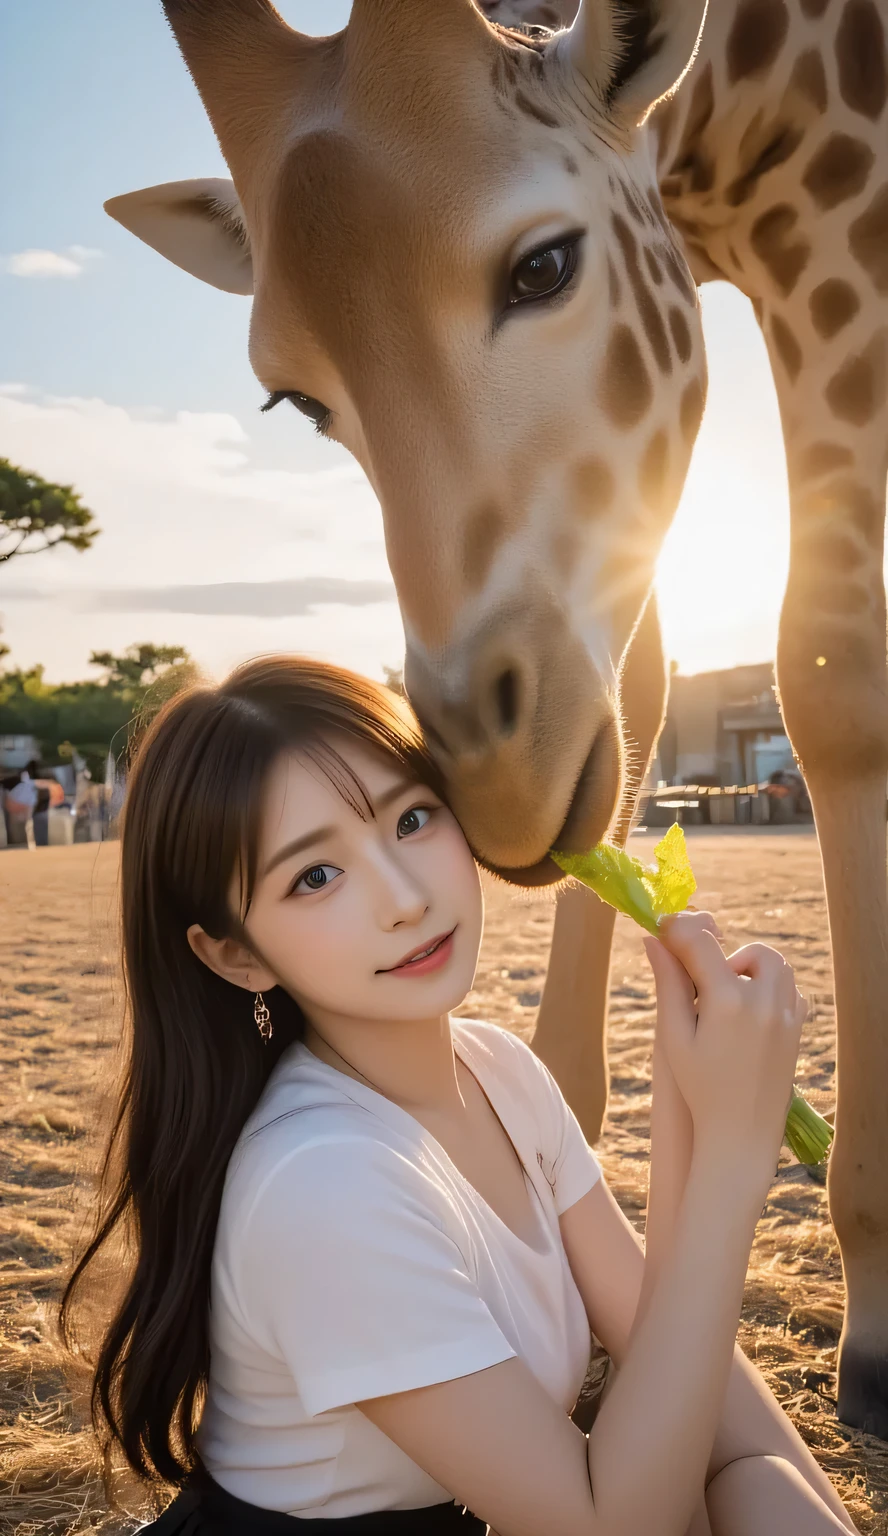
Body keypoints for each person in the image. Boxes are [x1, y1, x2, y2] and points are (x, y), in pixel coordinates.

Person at [61, 655, 858, 1536]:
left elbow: (686, 1360)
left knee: (769, 1494)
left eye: (411, 817)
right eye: (314, 877)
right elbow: (613, 1527)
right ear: (235, 955)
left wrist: (692, 1101)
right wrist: (732, 1167)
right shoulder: (324, 1185)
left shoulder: (498, 1072)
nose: (404, 898)